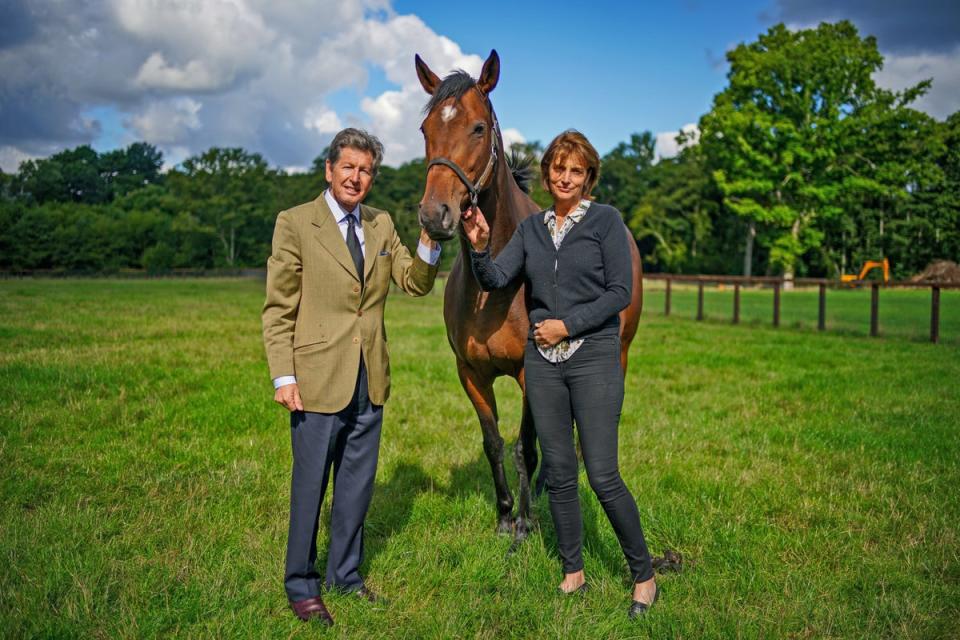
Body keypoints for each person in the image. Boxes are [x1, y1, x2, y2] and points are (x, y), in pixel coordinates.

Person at [461, 130, 658, 618]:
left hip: (593, 359)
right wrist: (480, 247)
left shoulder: (606, 223)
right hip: (544, 367)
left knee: (604, 475)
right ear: (547, 172)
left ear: (588, 177)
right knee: (562, 475)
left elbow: (619, 294)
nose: (566, 178)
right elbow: (495, 278)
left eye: (576, 171)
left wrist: (566, 325)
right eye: (558, 168)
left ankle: (643, 576)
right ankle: (574, 573)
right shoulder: (532, 230)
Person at [262, 128, 441, 626]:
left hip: (370, 377)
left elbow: (414, 282)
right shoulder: (296, 223)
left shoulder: (382, 225)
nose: (356, 178)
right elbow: (278, 309)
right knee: (311, 484)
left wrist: (430, 239)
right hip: (315, 378)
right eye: (348, 167)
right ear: (329, 169)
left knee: (357, 486)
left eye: (365, 170)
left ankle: (346, 575)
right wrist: (283, 377)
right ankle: (301, 583)